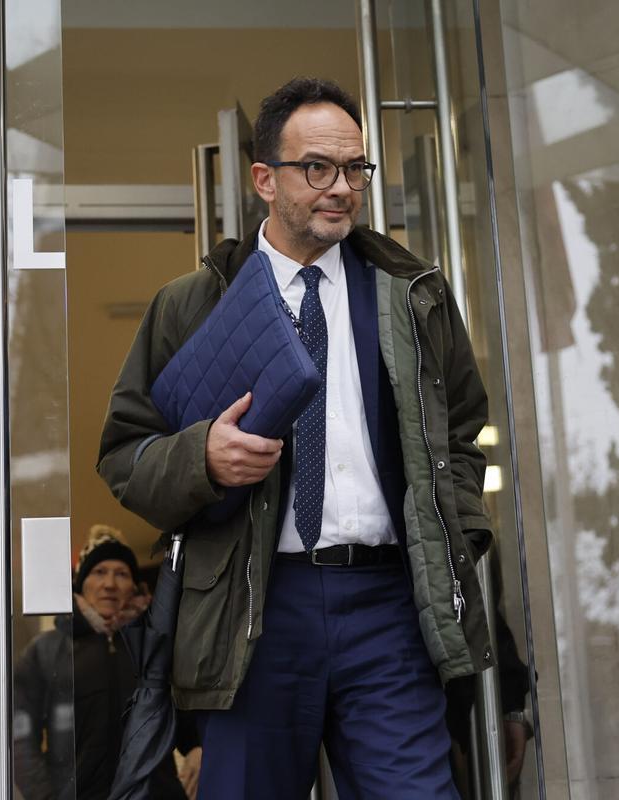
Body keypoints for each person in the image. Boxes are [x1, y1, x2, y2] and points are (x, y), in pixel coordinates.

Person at [98, 77, 493, 798]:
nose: (340, 187)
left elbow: (463, 430)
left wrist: (456, 531)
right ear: (263, 180)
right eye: (317, 168)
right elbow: (126, 455)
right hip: (253, 615)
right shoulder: (194, 304)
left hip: (387, 606)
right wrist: (202, 459)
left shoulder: (411, 295)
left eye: (355, 169)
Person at [12, 527, 193, 800]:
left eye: (121, 573)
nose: (109, 584)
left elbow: (188, 711)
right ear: (81, 583)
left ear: (133, 585)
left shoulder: (155, 644)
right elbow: (20, 737)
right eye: (98, 572)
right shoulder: (45, 651)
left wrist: (198, 748)